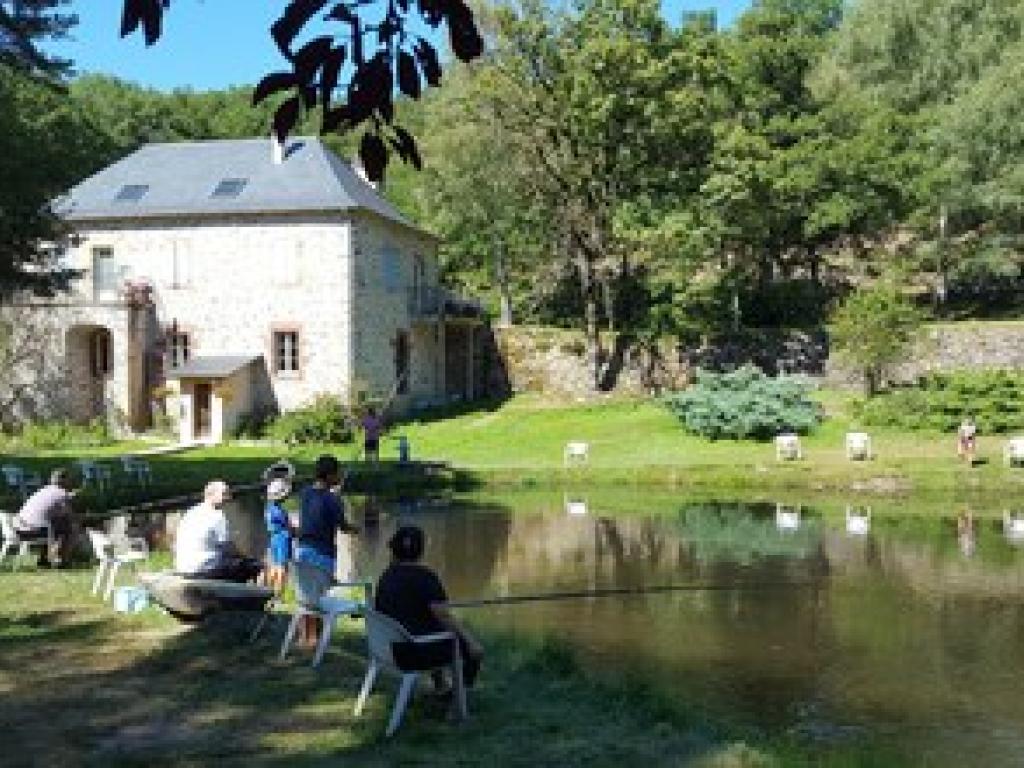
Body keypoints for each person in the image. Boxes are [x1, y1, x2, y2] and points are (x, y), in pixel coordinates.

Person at [375, 525, 484, 690]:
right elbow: (444, 615)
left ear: (394, 550)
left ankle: (439, 685)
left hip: (386, 649)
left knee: (432, 628)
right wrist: (471, 641)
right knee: (470, 649)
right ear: (421, 551)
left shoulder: (386, 577)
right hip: (412, 654)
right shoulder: (426, 577)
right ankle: (456, 699)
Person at [294, 455, 359, 646]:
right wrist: (357, 529)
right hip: (322, 553)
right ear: (330, 475)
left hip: (302, 550)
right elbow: (343, 526)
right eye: (337, 472)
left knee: (306, 597)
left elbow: (319, 507)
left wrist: (334, 494)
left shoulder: (306, 493)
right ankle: (314, 640)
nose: (340, 475)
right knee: (321, 598)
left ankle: (303, 637)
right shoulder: (332, 499)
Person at [174, 480, 261, 582]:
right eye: (224, 494)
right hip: (203, 568)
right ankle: (235, 595)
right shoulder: (217, 516)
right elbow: (228, 547)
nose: (228, 498)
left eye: (228, 494)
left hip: (183, 567)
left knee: (234, 562)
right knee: (252, 566)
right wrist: (245, 558)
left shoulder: (191, 513)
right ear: (210, 494)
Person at [13, 468, 77, 567]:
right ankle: (63, 561)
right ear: (64, 480)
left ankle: (44, 559)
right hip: (34, 531)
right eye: (69, 479)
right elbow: (70, 515)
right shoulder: (61, 493)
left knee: (51, 524)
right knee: (69, 528)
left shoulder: (42, 490)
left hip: (18, 528)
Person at [264, 477, 292, 595]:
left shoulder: (269, 508)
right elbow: (287, 526)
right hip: (282, 538)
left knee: (274, 566)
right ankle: (278, 594)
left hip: (273, 537)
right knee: (282, 567)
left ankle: (267, 591)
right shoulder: (279, 511)